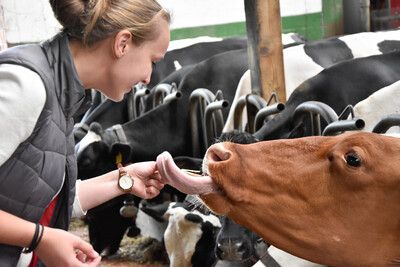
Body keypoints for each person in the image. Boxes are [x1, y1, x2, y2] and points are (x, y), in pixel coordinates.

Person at [0, 0, 170, 266]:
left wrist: (123, 179)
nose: (149, 78)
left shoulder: (62, 95)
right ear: (122, 43)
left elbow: (43, 194)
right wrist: (40, 238)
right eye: (153, 60)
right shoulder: (26, 85)